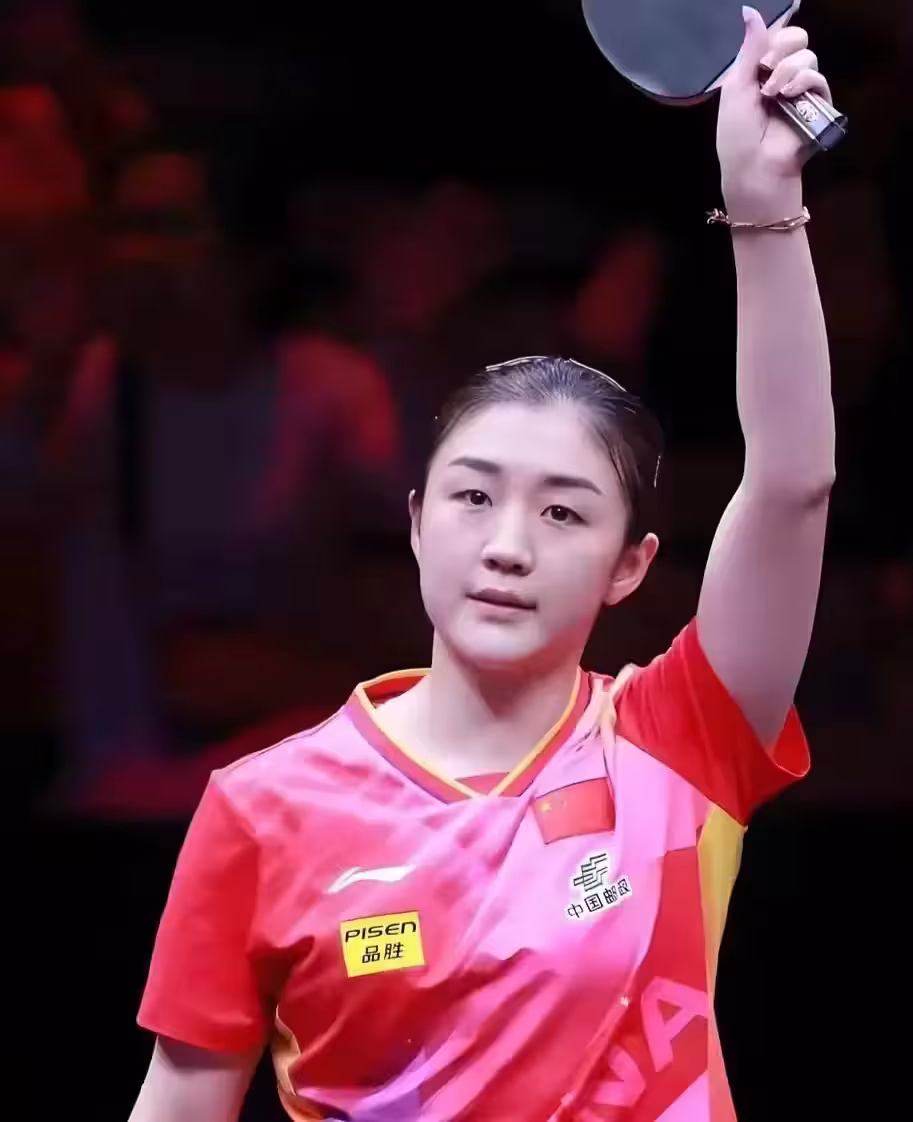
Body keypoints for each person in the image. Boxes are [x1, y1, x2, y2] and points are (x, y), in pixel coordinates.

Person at [128, 10, 835, 1121]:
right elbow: (182, 1097)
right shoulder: (263, 810)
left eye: (563, 513)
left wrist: (762, 201)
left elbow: (792, 483)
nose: (508, 544)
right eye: (472, 496)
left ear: (630, 567)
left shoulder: (680, 745)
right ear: (417, 524)